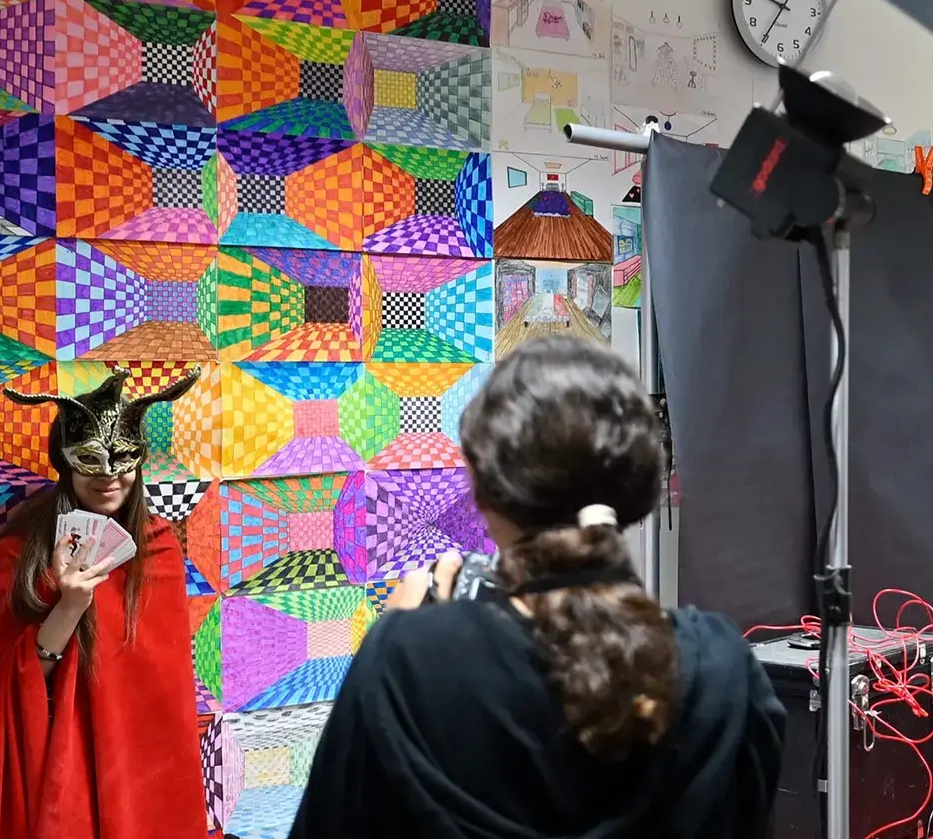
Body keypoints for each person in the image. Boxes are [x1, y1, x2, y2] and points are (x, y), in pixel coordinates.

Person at [290, 335, 786, 839]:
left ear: (484, 494)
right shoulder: (726, 674)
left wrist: (404, 635)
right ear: (638, 488)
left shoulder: (405, 663)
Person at [0, 367, 209, 839]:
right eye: (90, 460)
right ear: (65, 462)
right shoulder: (20, 555)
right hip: (51, 762)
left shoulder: (158, 550)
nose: (109, 477)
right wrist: (69, 606)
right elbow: (3, 690)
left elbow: (161, 692)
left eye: (124, 461)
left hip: (138, 767)